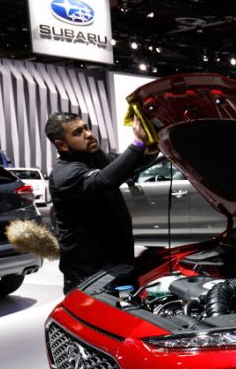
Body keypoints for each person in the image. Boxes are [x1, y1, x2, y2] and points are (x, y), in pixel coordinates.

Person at [45, 112, 157, 294]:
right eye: (78, 132)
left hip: (118, 265)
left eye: (87, 127)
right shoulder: (64, 175)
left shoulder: (95, 159)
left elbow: (125, 166)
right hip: (89, 277)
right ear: (61, 145)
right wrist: (138, 143)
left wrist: (150, 151)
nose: (89, 134)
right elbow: (105, 181)